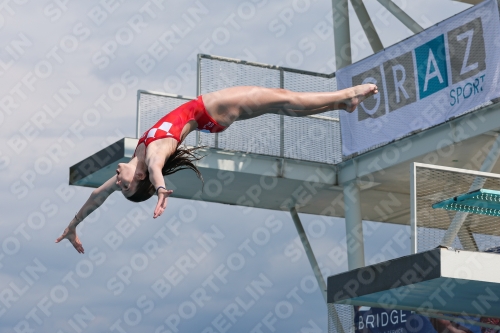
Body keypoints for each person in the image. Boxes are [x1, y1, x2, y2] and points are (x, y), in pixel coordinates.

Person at [56, 84, 378, 253]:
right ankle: (346, 96)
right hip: (211, 111)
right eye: (125, 186)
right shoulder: (153, 155)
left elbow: (97, 196)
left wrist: (73, 225)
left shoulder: (139, 160)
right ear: (139, 178)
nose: (118, 182)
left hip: (209, 114)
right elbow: (157, 169)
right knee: (284, 99)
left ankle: (342, 103)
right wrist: (162, 191)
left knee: (283, 101)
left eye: (120, 187)